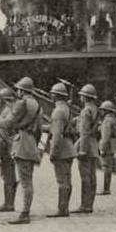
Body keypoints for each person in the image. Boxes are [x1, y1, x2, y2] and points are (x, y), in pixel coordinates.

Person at [0, 76, 43, 225]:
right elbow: (39, 129)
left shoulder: (22, 103)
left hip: (21, 142)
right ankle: (25, 211)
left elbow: (8, 123)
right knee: (28, 180)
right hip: (31, 142)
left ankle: (25, 214)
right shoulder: (37, 105)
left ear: (21, 90)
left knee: (25, 182)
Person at [46, 83, 75, 217]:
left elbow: (57, 135)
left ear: (56, 95)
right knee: (67, 180)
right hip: (68, 147)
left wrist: (53, 152)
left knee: (62, 181)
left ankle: (62, 209)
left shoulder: (58, 111)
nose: (50, 95)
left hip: (61, 149)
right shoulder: (66, 108)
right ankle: (65, 207)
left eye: (52, 93)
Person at [73, 83, 100, 212]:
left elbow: (84, 131)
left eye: (82, 96)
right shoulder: (95, 109)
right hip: (93, 145)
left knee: (85, 177)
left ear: (85, 97)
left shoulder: (85, 111)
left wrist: (82, 149)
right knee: (92, 176)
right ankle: (90, 204)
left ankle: (85, 205)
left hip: (86, 146)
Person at [0, 87, 18, 212]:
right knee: (7, 174)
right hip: (5, 143)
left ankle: (9, 203)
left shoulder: (9, 111)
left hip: (6, 144)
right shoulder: (7, 110)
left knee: (8, 174)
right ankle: (8, 202)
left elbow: (6, 126)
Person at [98, 100, 116, 196]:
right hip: (112, 145)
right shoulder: (113, 120)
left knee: (106, 167)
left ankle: (106, 188)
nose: (101, 112)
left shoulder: (107, 121)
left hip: (107, 146)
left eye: (103, 110)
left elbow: (105, 136)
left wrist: (102, 148)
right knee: (109, 167)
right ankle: (107, 187)